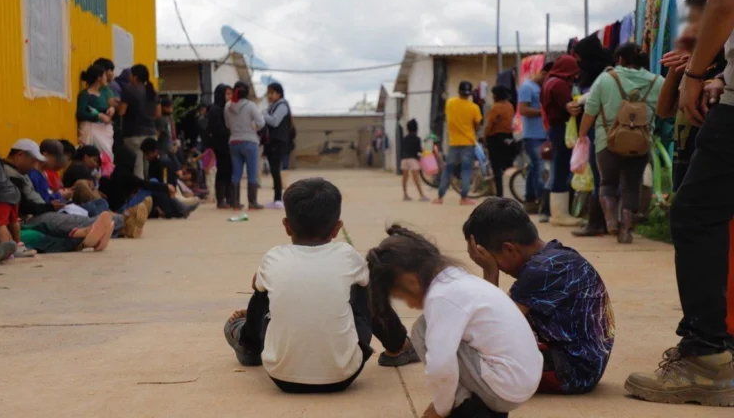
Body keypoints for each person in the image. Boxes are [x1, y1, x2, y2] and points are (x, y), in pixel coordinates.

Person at [625, 0, 734, 404]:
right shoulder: (700, 58)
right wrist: (690, 74)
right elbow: (667, 110)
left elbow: (726, 1)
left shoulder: (713, 43)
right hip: (697, 142)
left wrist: (698, 74)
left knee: (694, 216)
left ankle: (706, 356)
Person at [224, 178, 420, 394]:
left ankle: (249, 345)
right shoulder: (347, 256)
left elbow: (257, 285)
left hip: (281, 376)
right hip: (343, 375)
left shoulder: (273, 258)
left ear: (287, 226)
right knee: (367, 291)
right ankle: (398, 346)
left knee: (263, 295)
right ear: (337, 228)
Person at [367, 225, 542, 418]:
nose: (408, 304)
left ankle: (463, 407)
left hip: (505, 388)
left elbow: (441, 367)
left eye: (401, 296)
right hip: (522, 378)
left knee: (422, 330)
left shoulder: (442, 297)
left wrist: (440, 409)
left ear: (411, 282)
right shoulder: (455, 280)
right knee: (434, 330)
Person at [464, 198, 615, 395]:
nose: (498, 267)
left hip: (572, 372)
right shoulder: (554, 255)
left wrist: (490, 272)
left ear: (509, 249)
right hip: (583, 363)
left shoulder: (540, 270)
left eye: (494, 261)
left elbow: (492, 328)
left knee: (471, 355)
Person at [576, 43, 663, 244]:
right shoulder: (658, 82)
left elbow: (590, 109)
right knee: (632, 185)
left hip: (607, 141)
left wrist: (582, 133)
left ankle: (611, 222)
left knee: (607, 182)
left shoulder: (606, 78)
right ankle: (626, 230)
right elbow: (667, 109)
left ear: (621, 59)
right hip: (641, 142)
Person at [656, 0, 727, 191]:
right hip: (684, 170)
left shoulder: (724, 71)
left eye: (698, 23)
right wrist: (677, 70)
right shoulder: (693, 68)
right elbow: (664, 110)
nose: (689, 31)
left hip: (712, 179)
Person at [568, 36, 614, 237]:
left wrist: (582, 131)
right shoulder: (593, 72)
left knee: (600, 175)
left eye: (579, 56)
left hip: (601, 129)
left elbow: (594, 102)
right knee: (604, 176)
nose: (577, 61)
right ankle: (608, 222)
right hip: (601, 129)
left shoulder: (605, 74)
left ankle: (596, 224)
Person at [541, 55, 580, 226]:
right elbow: (571, 107)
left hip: (554, 128)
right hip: (561, 129)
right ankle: (559, 214)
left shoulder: (549, 81)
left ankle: (554, 213)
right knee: (561, 169)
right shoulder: (559, 85)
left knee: (558, 168)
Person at [433, 81, 483, 206]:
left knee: (448, 170)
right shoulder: (474, 108)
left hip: (454, 142)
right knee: (466, 170)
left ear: (458, 91)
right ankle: (464, 198)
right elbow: (477, 125)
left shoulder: (450, 103)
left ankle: (440, 197)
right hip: (468, 142)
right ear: (470, 93)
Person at [225, 81, 265, 210]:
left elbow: (227, 125)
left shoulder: (228, 106)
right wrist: (254, 127)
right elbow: (261, 122)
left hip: (234, 142)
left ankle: (235, 203)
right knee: (252, 174)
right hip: (250, 142)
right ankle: (252, 203)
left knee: (236, 174)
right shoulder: (251, 106)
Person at [518, 62, 550, 213]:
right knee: (539, 168)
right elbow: (523, 110)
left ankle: (530, 201)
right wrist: (543, 112)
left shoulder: (540, 88)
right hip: (532, 136)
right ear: (543, 73)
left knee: (533, 168)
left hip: (543, 135)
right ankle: (542, 201)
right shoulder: (527, 87)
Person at [119, 64, 158, 179]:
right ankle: (151, 188)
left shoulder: (129, 89)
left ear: (135, 77)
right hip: (151, 133)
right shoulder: (153, 91)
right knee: (149, 168)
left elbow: (121, 112)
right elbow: (158, 114)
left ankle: (139, 190)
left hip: (134, 134)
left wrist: (116, 104)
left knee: (137, 168)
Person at [77, 64, 115, 176]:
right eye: (104, 75)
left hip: (105, 129)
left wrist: (111, 110)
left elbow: (107, 108)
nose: (106, 78)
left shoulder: (103, 93)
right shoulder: (85, 95)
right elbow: (80, 113)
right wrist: (99, 116)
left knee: (107, 157)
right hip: (93, 129)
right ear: (99, 77)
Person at [263, 83, 292, 209]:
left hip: (278, 142)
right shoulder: (272, 106)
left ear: (279, 94)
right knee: (274, 171)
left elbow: (274, 121)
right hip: (272, 142)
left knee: (276, 170)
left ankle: (279, 199)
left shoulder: (282, 106)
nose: (270, 96)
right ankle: (276, 199)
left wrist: (263, 114)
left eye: (272, 93)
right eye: (268, 93)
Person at [483, 86, 515, 198]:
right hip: (508, 138)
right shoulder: (510, 106)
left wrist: (485, 138)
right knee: (507, 166)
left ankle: (500, 194)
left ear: (496, 96)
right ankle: (509, 192)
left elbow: (489, 125)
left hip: (495, 138)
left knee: (497, 169)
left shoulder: (496, 107)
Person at [208, 84, 234, 209]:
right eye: (227, 94)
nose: (230, 97)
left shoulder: (226, 108)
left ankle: (229, 198)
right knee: (223, 171)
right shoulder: (215, 109)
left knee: (229, 171)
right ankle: (221, 199)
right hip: (221, 145)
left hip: (228, 144)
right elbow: (217, 129)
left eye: (231, 94)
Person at [399, 119, 428, 202]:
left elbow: (402, 149)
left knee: (405, 178)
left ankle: (405, 195)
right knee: (416, 178)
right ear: (416, 128)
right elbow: (419, 150)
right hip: (412, 159)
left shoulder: (404, 138)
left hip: (404, 159)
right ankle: (421, 195)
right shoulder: (417, 139)